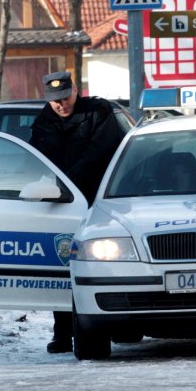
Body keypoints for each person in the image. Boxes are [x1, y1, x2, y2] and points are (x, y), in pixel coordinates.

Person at [29, 71, 126, 353]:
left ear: (75, 91)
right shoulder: (43, 121)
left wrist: (68, 182)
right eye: (54, 100)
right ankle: (62, 333)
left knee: (98, 266)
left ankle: (106, 325)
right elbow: (36, 161)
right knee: (63, 268)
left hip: (98, 200)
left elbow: (100, 151)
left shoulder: (98, 111)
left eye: (64, 97)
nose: (60, 105)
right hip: (61, 204)